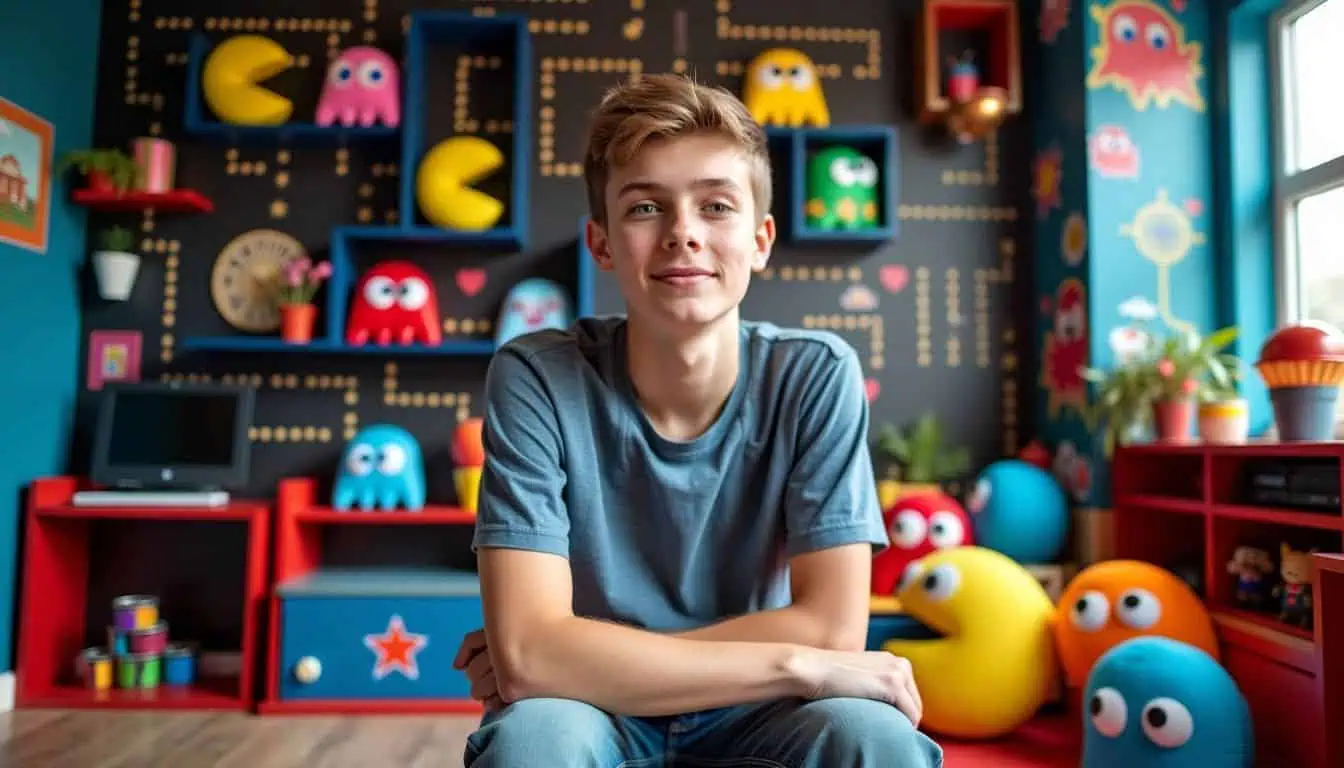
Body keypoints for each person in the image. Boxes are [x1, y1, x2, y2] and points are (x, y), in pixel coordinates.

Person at [453, 72, 943, 767]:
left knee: (874, 737)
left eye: (716, 205)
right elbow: (532, 661)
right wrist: (796, 661)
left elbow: (834, 632)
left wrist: (572, 652)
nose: (683, 233)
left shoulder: (815, 375)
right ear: (601, 243)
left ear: (761, 239)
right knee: (532, 743)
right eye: (646, 207)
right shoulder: (537, 376)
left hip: (754, 709)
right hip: (592, 709)